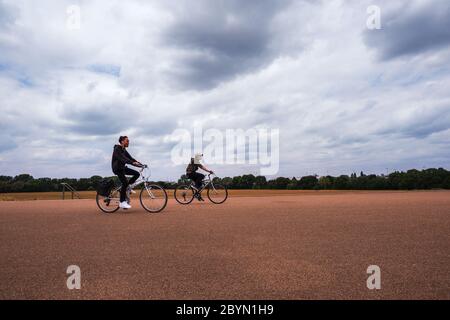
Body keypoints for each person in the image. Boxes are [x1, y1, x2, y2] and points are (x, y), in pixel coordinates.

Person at [111, 136, 143, 209]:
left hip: (122, 168)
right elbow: (123, 159)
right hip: (117, 169)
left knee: (137, 174)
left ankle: (128, 188)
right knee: (124, 183)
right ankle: (122, 202)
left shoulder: (123, 150)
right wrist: (132, 162)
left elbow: (130, 158)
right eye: (127, 141)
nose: (128, 142)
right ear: (122, 141)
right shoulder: (117, 149)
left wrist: (141, 165)